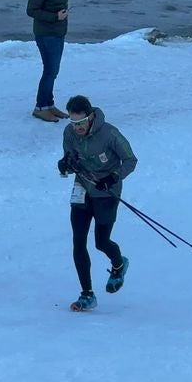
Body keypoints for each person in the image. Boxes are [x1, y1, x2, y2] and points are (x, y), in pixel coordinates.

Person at [56, 95, 138, 312]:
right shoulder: (69, 133)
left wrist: (113, 177)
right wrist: (64, 165)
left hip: (106, 192)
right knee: (78, 241)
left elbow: (130, 160)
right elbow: (70, 158)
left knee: (101, 242)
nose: (77, 128)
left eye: (81, 122)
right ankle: (87, 294)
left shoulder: (110, 134)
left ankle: (119, 264)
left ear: (91, 116)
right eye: (73, 123)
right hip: (82, 189)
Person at [27, 0, 70, 122]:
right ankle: (40, 107)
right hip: (46, 34)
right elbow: (31, 10)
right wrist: (55, 17)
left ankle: (49, 104)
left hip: (58, 32)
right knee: (50, 70)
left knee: (54, 71)